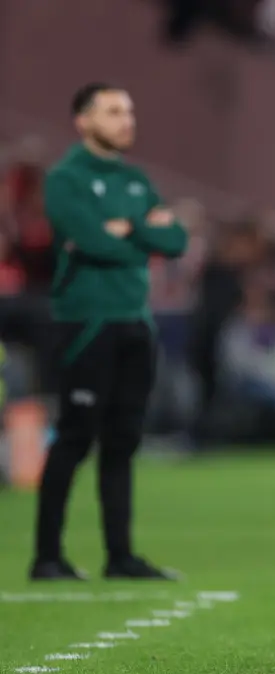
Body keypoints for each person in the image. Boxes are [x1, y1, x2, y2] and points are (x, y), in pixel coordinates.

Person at [30, 83, 188, 582]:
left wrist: (128, 230)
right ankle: (46, 556)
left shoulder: (135, 181)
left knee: (123, 440)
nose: (126, 120)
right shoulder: (66, 179)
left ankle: (119, 556)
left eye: (129, 111)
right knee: (74, 436)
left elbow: (176, 239)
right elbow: (94, 241)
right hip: (87, 322)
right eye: (114, 111)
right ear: (82, 120)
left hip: (134, 322)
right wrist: (141, 233)